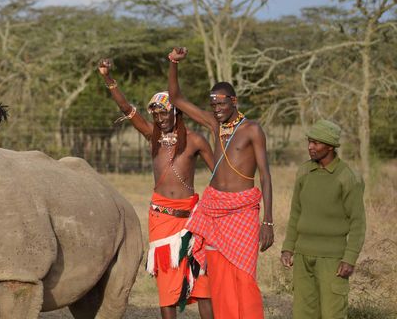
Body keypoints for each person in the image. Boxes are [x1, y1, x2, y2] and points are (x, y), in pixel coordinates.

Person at [98, 58, 214, 319]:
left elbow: (219, 173)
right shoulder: (153, 137)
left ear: (177, 112)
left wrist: (213, 208)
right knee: (167, 284)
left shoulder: (195, 140)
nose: (160, 118)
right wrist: (107, 78)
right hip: (162, 219)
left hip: (192, 219)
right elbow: (127, 108)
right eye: (156, 114)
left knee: (202, 279)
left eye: (165, 112)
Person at [167, 47, 273, 318]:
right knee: (219, 276)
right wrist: (173, 64)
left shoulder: (252, 129)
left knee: (244, 276)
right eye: (213, 105)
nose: (217, 109)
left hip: (243, 211)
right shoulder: (215, 125)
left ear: (234, 101)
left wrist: (268, 222)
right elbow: (176, 98)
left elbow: (265, 176)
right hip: (215, 209)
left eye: (222, 104)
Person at [281, 120, 365, 319]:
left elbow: (358, 222)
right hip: (302, 256)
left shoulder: (347, 177)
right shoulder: (304, 171)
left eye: (316, 143)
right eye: (309, 141)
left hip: (332, 260)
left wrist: (349, 258)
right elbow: (295, 213)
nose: (310, 147)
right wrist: (288, 247)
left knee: (331, 314)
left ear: (330, 146)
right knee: (303, 313)